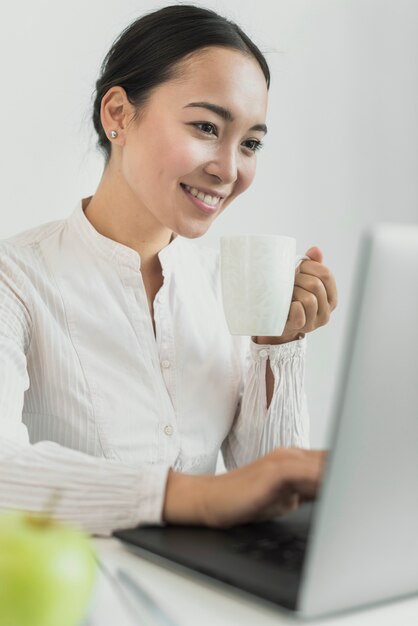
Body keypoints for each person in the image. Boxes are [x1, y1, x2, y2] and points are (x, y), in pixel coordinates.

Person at [0, 4, 337, 537]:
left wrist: (276, 347)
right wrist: (195, 497)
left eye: (250, 143)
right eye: (206, 126)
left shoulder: (218, 284)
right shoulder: (14, 280)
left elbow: (272, 493)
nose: (229, 169)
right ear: (118, 115)